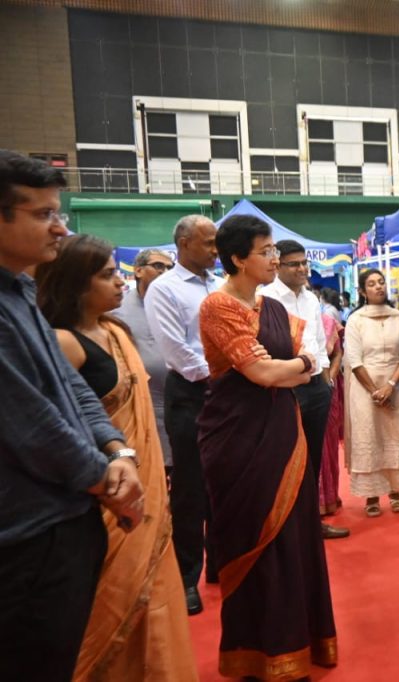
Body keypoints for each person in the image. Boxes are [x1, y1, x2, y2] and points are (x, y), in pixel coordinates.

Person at [0, 150, 143, 681]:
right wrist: (105, 478)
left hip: (71, 512)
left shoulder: (19, 291)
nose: (60, 227)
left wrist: (116, 449)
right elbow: (28, 422)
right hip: (27, 535)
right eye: (42, 215)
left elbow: (71, 391)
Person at [35, 235, 197, 681]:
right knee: (111, 598)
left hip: (143, 481)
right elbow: (63, 424)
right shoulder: (62, 343)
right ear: (73, 284)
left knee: (155, 592)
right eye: (107, 275)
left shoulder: (115, 331)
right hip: (105, 494)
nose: (120, 283)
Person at [197, 214, 337, 679]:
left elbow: (312, 362)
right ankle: (257, 650)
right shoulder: (218, 307)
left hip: (282, 427)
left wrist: (296, 366)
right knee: (254, 537)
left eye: (276, 251)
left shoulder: (272, 308)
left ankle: (295, 643)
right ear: (237, 259)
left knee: (293, 535)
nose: (276, 259)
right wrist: (297, 365)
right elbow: (262, 373)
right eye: (267, 252)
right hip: (237, 437)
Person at [145, 213, 220, 615]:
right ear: (184, 243)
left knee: (224, 483)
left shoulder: (221, 285)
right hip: (191, 392)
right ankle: (186, 576)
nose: (214, 250)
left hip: (226, 393)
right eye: (208, 243)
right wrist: (225, 371)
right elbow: (177, 352)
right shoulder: (166, 289)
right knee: (190, 488)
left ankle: (221, 565)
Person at [262, 240, 349, 539]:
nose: (301, 269)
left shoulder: (311, 300)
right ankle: (284, 528)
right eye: (293, 264)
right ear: (277, 265)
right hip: (284, 387)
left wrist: (324, 378)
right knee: (285, 458)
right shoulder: (265, 297)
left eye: (304, 263)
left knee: (312, 459)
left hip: (316, 386)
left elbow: (317, 342)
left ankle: (311, 525)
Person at [343, 268, 399, 517]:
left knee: (395, 436)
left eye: (381, 282)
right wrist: (376, 391)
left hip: (397, 385)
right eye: (372, 284)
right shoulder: (356, 320)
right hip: (365, 389)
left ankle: (395, 492)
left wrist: (390, 386)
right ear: (363, 291)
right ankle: (372, 495)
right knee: (370, 437)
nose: (379, 287)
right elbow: (354, 360)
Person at [112, 247, 176, 473]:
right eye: (158, 266)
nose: (165, 272)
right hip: (139, 406)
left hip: (179, 403)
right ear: (138, 271)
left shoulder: (176, 304)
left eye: (170, 267)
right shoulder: (117, 310)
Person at [320, 304, 345, 516]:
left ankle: (329, 497)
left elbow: (337, 353)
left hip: (327, 388)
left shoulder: (326, 321)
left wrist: (330, 379)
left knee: (328, 445)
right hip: (291, 387)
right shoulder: (272, 315)